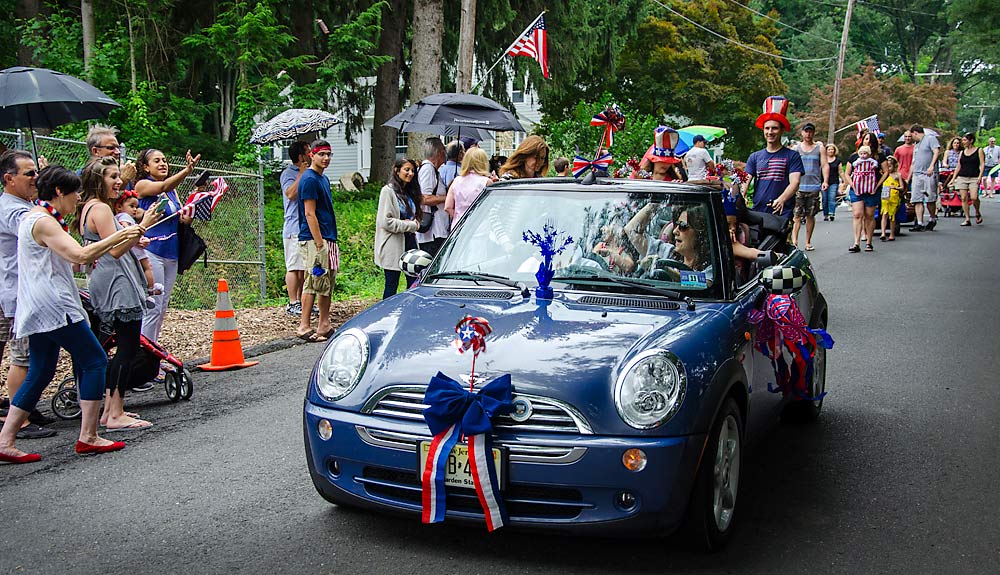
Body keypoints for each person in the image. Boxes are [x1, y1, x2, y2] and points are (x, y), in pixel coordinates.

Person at [0, 166, 148, 464]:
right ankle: (89, 436)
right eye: (74, 192)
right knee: (94, 359)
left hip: (41, 305)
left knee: (41, 370)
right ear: (58, 192)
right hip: (55, 305)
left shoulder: (40, 219)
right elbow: (80, 255)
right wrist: (123, 234)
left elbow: (75, 260)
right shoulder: (42, 221)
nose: (77, 197)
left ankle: (5, 439)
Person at [76, 158, 162, 431]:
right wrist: (142, 226)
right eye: (112, 177)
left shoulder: (90, 206)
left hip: (110, 279)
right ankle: (115, 412)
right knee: (126, 349)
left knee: (123, 347)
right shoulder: (100, 208)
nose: (118, 181)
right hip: (117, 283)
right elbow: (115, 249)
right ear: (97, 181)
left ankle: (111, 411)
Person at [0, 150, 56, 439]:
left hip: (20, 290)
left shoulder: (21, 204)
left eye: (37, 172)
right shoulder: (13, 210)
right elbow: (39, 229)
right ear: (9, 179)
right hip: (18, 293)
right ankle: (17, 419)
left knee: (26, 355)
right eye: (30, 174)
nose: (35, 178)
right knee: (21, 356)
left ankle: (23, 408)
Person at [134, 148, 201, 346]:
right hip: (152, 251)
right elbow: (161, 187)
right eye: (157, 161)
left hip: (171, 252)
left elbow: (180, 218)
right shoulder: (143, 185)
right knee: (153, 306)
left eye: (164, 160)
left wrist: (189, 214)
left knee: (162, 307)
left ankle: (152, 350)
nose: (163, 164)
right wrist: (187, 171)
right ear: (146, 167)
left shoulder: (173, 191)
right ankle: (143, 353)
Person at [296, 139, 338, 342]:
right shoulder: (310, 179)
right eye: (321, 154)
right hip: (315, 239)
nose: (326, 158)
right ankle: (304, 325)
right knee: (314, 280)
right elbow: (309, 213)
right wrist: (319, 242)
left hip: (329, 237)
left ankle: (324, 323)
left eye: (329, 154)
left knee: (327, 282)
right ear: (311, 155)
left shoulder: (323, 179)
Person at [744, 96, 804, 218]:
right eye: (767, 128)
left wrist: (782, 199)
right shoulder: (754, 157)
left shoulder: (792, 156)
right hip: (758, 212)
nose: (770, 132)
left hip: (782, 212)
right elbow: (745, 180)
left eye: (774, 128)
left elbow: (795, 182)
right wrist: (741, 196)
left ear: (782, 130)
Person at [375, 158, 421, 300]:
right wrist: (410, 225)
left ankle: (409, 313)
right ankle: (386, 314)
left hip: (410, 243)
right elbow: (385, 221)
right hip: (393, 246)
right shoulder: (388, 191)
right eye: (406, 170)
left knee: (414, 283)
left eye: (413, 170)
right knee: (391, 284)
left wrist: (415, 223)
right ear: (397, 170)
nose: (410, 173)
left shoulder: (409, 192)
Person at [280, 141, 310, 317]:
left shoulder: (309, 173)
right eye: (308, 152)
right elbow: (290, 194)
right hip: (293, 227)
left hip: (305, 226)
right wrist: (301, 175)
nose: (311, 154)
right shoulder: (288, 174)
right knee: (293, 267)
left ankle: (302, 301)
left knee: (303, 267)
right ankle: (292, 302)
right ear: (300, 156)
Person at [792, 122, 829, 250]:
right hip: (799, 186)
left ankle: (808, 241)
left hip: (813, 186)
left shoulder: (819, 148)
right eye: (806, 131)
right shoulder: (796, 148)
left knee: (810, 215)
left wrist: (825, 181)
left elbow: (824, 164)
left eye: (810, 131)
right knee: (796, 215)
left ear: (813, 133)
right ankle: (794, 241)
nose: (808, 134)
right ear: (802, 133)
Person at [115, 191, 157, 298]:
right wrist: (138, 239)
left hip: (134, 246)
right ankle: (150, 289)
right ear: (119, 207)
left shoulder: (123, 217)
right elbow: (126, 229)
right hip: (135, 248)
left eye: (136, 206)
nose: (135, 209)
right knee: (147, 267)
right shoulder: (124, 216)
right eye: (131, 206)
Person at [415, 137, 449, 256]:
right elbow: (425, 198)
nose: (446, 153)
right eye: (444, 149)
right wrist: (447, 198)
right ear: (439, 152)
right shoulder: (428, 169)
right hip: (432, 231)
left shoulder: (432, 170)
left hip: (436, 230)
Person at [444, 147, 491, 228]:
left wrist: (458, 216)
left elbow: (447, 207)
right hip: (480, 227)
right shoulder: (486, 182)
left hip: (459, 227)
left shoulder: (456, 181)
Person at [947, 132, 985, 226]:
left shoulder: (979, 150)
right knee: (963, 198)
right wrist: (953, 179)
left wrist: (980, 176)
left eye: (964, 140)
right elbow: (958, 166)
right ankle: (967, 218)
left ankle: (977, 212)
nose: (963, 142)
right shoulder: (962, 152)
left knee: (974, 197)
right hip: (963, 177)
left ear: (971, 140)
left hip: (974, 177)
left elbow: (982, 164)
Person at [849, 145, 882, 252]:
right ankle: (856, 242)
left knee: (869, 215)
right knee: (857, 214)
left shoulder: (876, 158)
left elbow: (885, 171)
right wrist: (852, 185)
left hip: (871, 188)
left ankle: (869, 242)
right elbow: (847, 173)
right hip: (857, 188)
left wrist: (876, 187)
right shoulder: (855, 158)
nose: (863, 155)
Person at [908, 124, 941, 232]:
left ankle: (932, 218)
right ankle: (920, 222)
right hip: (917, 174)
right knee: (917, 199)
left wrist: (932, 166)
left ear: (915, 133)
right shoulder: (916, 145)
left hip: (928, 173)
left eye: (911, 135)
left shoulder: (930, 139)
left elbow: (936, 151)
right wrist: (909, 177)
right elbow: (913, 162)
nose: (911, 137)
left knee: (930, 198)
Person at [879, 157, 904, 241]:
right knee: (884, 214)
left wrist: (896, 187)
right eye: (887, 166)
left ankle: (892, 234)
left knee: (892, 216)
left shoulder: (898, 175)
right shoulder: (884, 175)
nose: (888, 168)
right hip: (885, 198)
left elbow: (902, 187)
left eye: (890, 166)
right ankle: (883, 232)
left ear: (894, 166)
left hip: (894, 197)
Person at [823, 144, 842, 221]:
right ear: (826, 151)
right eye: (829, 149)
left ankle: (831, 213)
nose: (831, 151)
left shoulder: (837, 161)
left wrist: (844, 181)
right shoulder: (823, 160)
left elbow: (840, 171)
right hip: (823, 181)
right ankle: (826, 214)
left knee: (832, 198)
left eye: (832, 149)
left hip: (834, 181)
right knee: (824, 199)